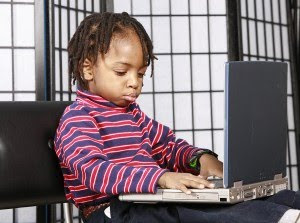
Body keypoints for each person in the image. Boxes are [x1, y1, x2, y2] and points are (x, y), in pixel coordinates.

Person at [54, 12, 300, 223]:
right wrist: (159, 177)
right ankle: (275, 218)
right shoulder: (78, 118)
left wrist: (199, 159)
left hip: (146, 199)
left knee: (206, 199)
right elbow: (94, 172)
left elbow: (168, 147)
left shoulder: (134, 116)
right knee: (183, 211)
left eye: (140, 74)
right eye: (121, 72)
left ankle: (287, 206)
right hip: (112, 211)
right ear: (88, 69)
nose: (134, 83)